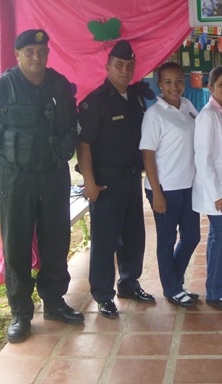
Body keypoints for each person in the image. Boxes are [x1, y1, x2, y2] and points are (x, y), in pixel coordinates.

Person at [0, 29, 82, 343]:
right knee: (16, 243)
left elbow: (70, 125)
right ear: (18, 54)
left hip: (53, 174)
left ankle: (54, 302)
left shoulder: (59, 85)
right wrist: (7, 157)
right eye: (29, 52)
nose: (36, 57)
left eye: (41, 52)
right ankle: (20, 313)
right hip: (15, 178)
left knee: (56, 238)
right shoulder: (2, 87)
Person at [77, 39, 156, 320]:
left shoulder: (135, 98)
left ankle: (128, 283)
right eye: (119, 65)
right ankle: (103, 295)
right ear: (108, 67)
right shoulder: (96, 101)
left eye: (129, 66)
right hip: (106, 182)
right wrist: (89, 183)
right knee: (105, 241)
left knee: (133, 236)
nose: (125, 71)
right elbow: (83, 144)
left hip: (132, 178)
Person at [140, 62, 201, 307]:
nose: (174, 87)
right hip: (164, 188)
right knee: (167, 239)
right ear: (159, 85)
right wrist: (157, 192)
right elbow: (147, 155)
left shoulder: (187, 106)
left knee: (192, 236)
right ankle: (173, 288)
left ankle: (174, 281)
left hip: (188, 185)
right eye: (168, 82)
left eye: (178, 81)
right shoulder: (154, 115)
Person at [193, 66, 222, 311]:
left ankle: (217, 281)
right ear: (210, 87)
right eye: (221, 84)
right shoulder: (208, 116)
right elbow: (203, 159)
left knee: (216, 236)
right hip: (216, 189)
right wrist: (217, 193)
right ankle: (215, 292)